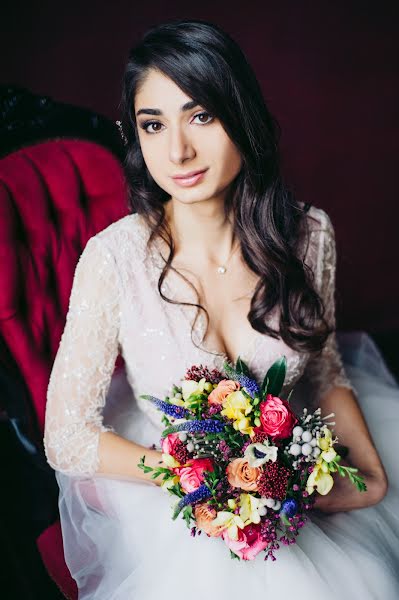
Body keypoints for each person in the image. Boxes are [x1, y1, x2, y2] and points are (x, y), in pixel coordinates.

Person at [43, 19, 399, 600]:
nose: (177, 150)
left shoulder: (310, 235)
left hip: (288, 471)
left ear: (243, 117)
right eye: (152, 125)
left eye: (201, 115)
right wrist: (199, 480)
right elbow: (66, 436)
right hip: (167, 488)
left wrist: (372, 473)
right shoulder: (115, 258)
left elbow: (324, 364)